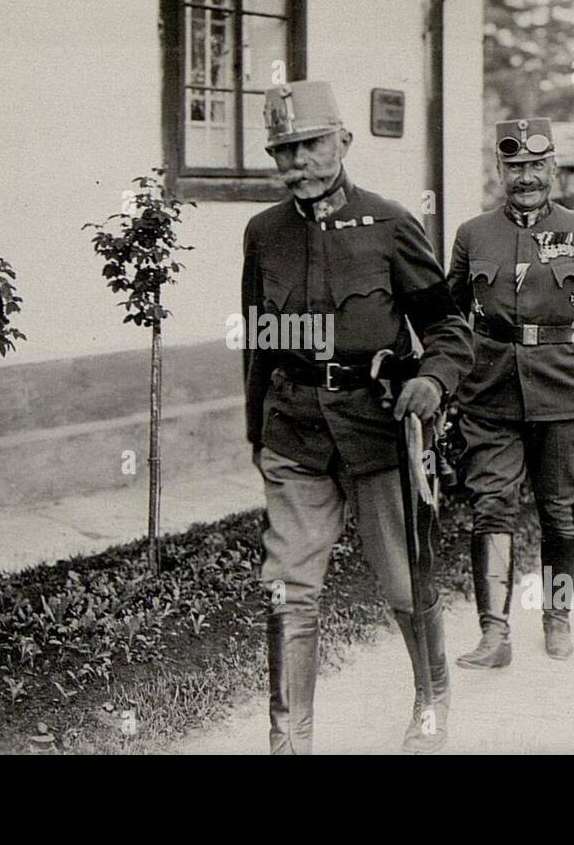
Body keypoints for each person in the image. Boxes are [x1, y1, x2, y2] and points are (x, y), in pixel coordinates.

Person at [241, 80, 473, 753]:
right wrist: (259, 433)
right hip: (295, 433)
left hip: (377, 430)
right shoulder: (263, 235)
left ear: (343, 140)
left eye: (310, 146)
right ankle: (290, 739)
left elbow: (449, 327)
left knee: (405, 582)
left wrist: (432, 379)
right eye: (282, 152)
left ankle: (431, 704)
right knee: (288, 589)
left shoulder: (390, 224)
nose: (297, 165)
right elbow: (259, 342)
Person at [447, 117, 574, 667]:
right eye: (514, 167)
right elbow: (447, 315)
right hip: (488, 392)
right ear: (500, 171)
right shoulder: (472, 234)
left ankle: (557, 618)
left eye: (536, 166)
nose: (525, 177)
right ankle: (494, 634)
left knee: (559, 512)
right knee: (491, 506)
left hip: (562, 390)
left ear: (552, 167)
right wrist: (438, 378)